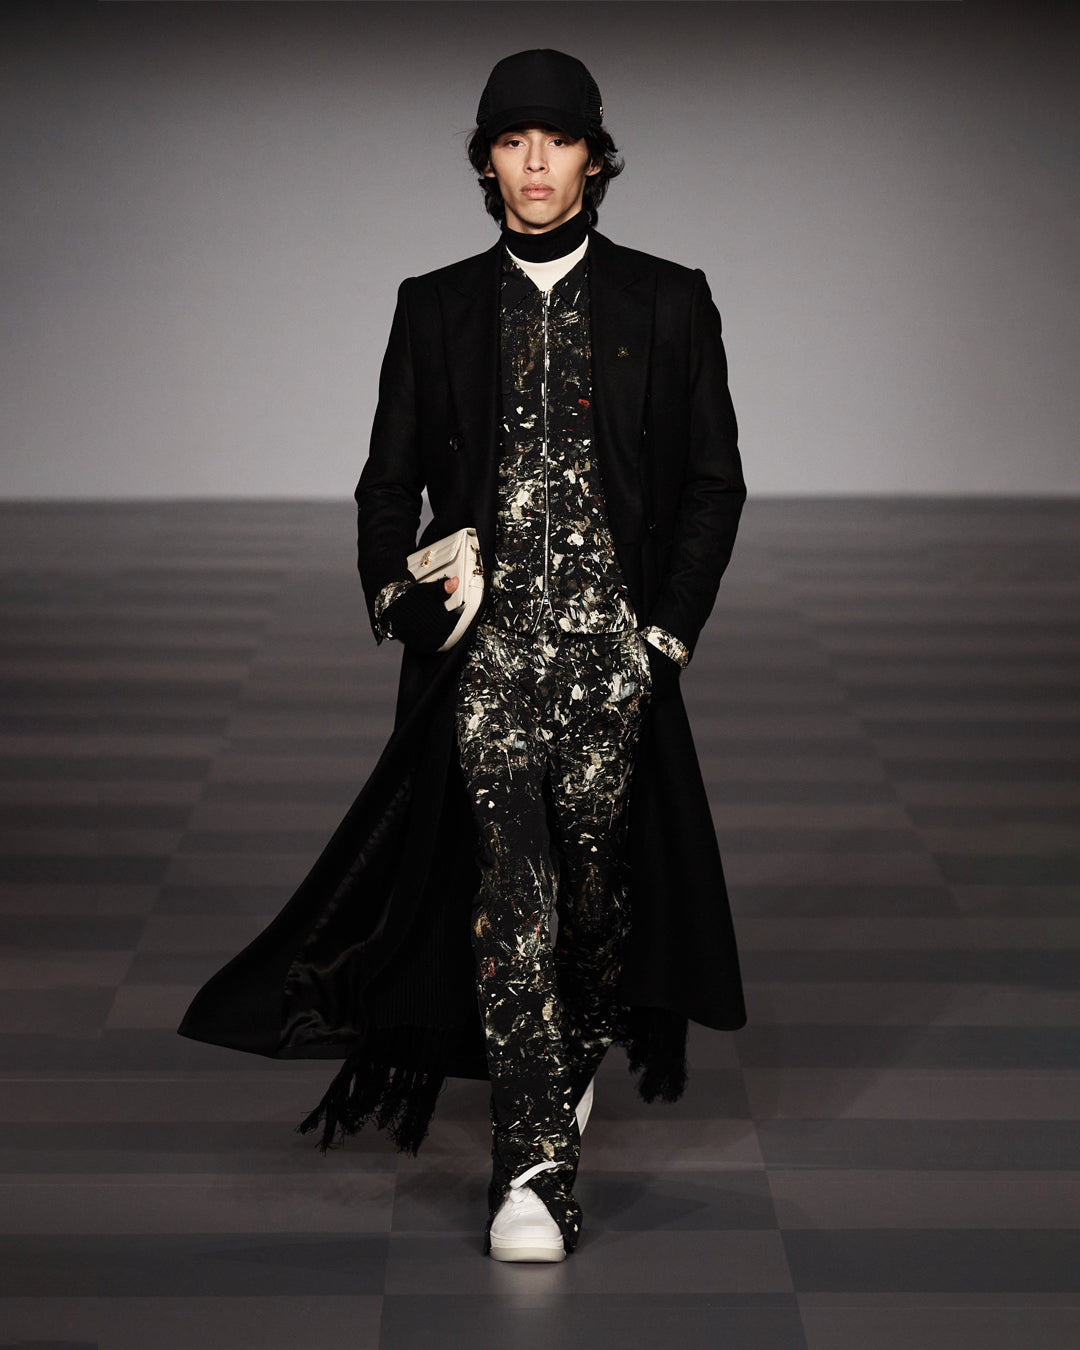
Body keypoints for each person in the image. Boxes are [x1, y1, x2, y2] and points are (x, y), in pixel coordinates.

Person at [178, 48, 747, 1263]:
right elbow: (386, 484)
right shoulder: (432, 305)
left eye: (558, 139)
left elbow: (714, 482)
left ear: (595, 158)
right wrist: (403, 597)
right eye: (512, 140)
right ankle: (532, 1173)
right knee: (513, 897)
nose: (536, 162)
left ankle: (564, 1057)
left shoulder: (668, 299)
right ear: (485, 162)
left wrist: (662, 637)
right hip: (483, 662)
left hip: (611, 659)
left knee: (598, 898)